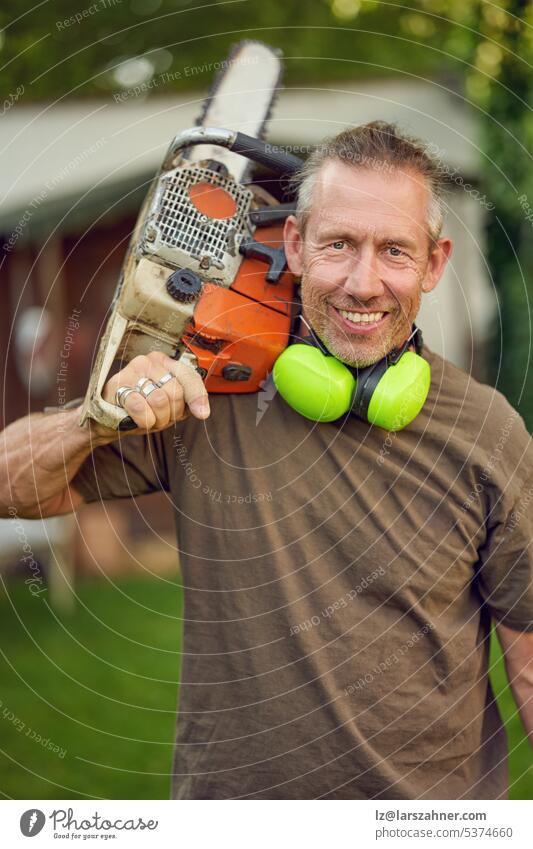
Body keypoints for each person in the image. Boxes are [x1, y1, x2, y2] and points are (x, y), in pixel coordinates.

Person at [2, 122, 532, 800]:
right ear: (294, 245)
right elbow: (11, 486)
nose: (363, 282)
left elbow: (527, 659)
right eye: (338, 244)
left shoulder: (488, 431)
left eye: (393, 250)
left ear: (433, 263)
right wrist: (98, 416)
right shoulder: (205, 394)